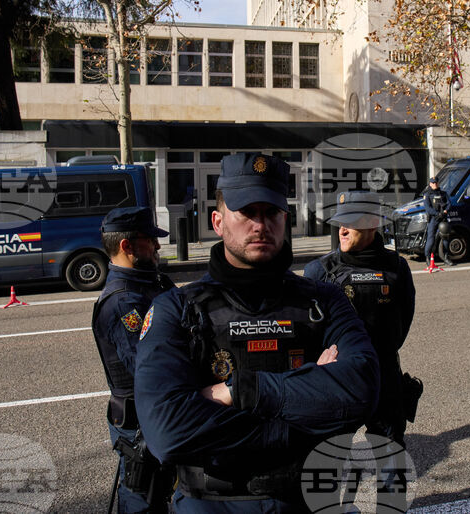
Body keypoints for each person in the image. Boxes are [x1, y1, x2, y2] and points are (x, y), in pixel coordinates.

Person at [134, 153, 380, 512]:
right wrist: (305, 410)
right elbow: (167, 431)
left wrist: (240, 391)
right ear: (218, 222)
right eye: (247, 211)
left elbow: (362, 391)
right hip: (213, 504)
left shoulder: (323, 300)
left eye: (271, 212)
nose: (260, 224)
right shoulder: (177, 309)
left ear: (286, 219)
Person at [303, 190, 418, 445]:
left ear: (373, 224)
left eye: (352, 222)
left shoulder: (397, 268)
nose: (342, 230)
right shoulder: (318, 272)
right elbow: (305, 334)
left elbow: (402, 325)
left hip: (384, 379)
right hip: (337, 382)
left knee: (390, 461)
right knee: (328, 464)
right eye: (341, 222)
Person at [92, 207, 176, 512]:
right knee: (143, 496)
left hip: (160, 412)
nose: (156, 246)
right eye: (150, 240)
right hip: (139, 421)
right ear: (126, 246)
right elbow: (150, 367)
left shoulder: (154, 282)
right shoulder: (122, 300)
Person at [423, 177, 451, 265]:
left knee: (445, 238)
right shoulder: (427, 194)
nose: (435, 184)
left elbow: (449, 203)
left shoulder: (443, 193)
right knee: (431, 239)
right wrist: (437, 214)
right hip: (433, 219)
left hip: (443, 218)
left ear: (438, 183)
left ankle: (446, 257)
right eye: (433, 183)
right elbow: (428, 208)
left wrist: (445, 211)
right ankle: (428, 258)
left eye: (436, 183)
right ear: (430, 184)